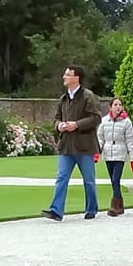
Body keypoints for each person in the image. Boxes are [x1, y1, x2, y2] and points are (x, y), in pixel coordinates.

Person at [41, 65, 103, 221]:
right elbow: (56, 118)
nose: (64, 76)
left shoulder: (88, 96)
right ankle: (56, 211)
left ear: (77, 78)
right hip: (66, 146)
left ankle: (91, 209)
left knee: (88, 180)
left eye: (68, 74)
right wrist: (59, 125)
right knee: (61, 178)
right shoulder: (63, 99)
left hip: (85, 145)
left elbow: (96, 117)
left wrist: (76, 124)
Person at [96, 97, 133, 217]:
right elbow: (100, 138)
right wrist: (97, 153)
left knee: (115, 179)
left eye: (120, 104)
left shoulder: (126, 122)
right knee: (113, 180)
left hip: (120, 152)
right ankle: (120, 204)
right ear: (110, 107)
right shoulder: (104, 121)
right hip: (108, 153)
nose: (118, 107)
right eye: (115, 104)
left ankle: (114, 205)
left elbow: (130, 141)